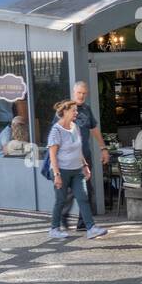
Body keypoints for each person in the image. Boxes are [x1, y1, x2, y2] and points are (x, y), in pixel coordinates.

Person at [47, 99, 108, 241]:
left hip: (76, 171)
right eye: (73, 110)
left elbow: (78, 148)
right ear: (65, 112)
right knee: (61, 200)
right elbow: (52, 155)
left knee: (83, 198)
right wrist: (56, 175)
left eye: (76, 110)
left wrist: (85, 165)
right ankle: (54, 229)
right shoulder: (56, 130)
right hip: (61, 171)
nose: (76, 112)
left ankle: (91, 228)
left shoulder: (75, 127)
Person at [56, 81, 111, 231]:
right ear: (74, 92)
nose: (81, 96)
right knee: (69, 190)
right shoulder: (65, 109)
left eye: (84, 93)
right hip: (68, 158)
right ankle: (62, 215)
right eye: (79, 93)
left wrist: (103, 148)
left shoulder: (86, 109)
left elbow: (94, 129)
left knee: (86, 189)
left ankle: (82, 223)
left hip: (84, 156)